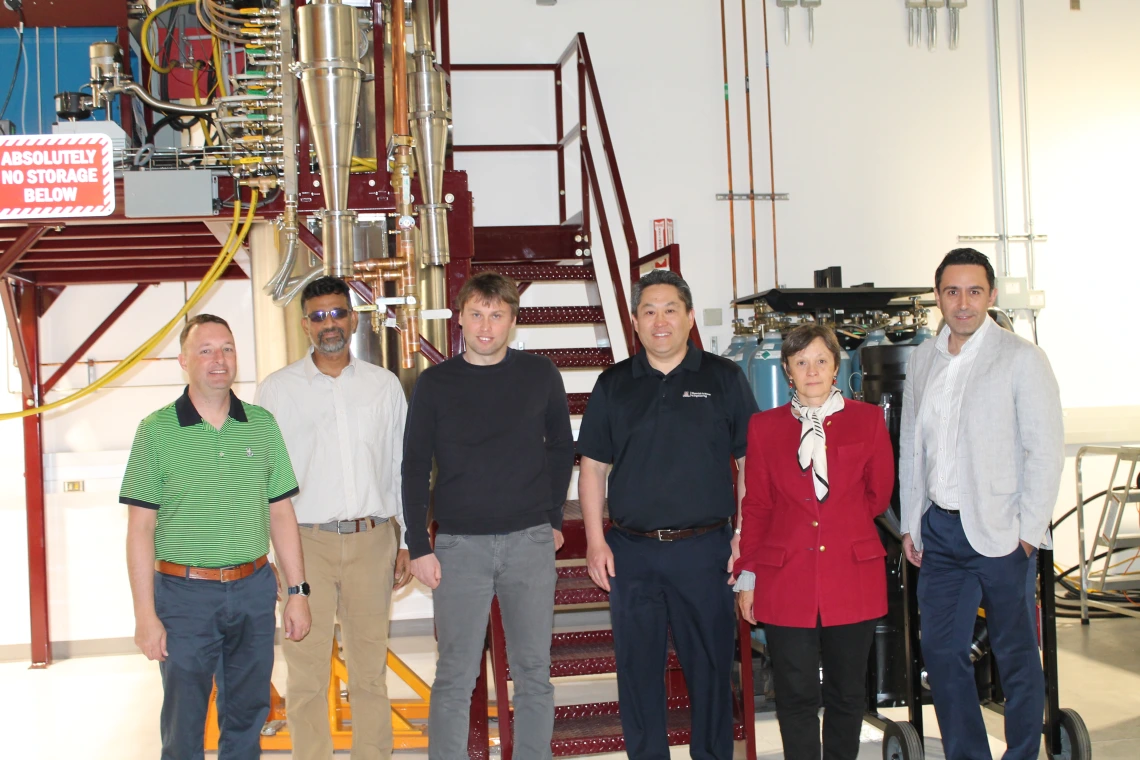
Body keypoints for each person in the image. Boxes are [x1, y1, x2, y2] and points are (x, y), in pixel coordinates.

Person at [578, 269, 758, 760]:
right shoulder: (614, 384)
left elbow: (750, 465)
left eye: (671, 309)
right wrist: (596, 542)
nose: (661, 321)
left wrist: (744, 537)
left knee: (711, 675)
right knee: (637, 678)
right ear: (635, 321)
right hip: (632, 554)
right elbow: (592, 468)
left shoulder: (724, 378)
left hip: (707, 552)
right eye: (649, 311)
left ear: (690, 316)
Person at [122, 313, 311, 760]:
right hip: (184, 597)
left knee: (248, 713)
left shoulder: (261, 424)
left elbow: (281, 513)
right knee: (184, 722)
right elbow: (139, 529)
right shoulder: (156, 430)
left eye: (226, 348)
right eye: (205, 350)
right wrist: (145, 615)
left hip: (253, 590)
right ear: (183, 360)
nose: (218, 359)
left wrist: (298, 591)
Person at [899, 248, 1064, 760]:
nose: (963, 303)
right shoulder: (924, 358)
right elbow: (912, 446)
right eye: (952, 292)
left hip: (1001, 532)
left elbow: (1045, 448)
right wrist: (910, 523)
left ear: (991, 296)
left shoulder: (1020, 358)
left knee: (1015, 656)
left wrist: (1028, 532)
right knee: (943, 653)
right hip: (940, 532)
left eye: (974, 291)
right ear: (938, 298)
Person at [402, 271, 575, 760]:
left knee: (533, 672)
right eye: (476, 314)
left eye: (496, 315)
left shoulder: (541, 375)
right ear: (460, 319)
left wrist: (553, 519)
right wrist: (419, 544)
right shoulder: (434, 384)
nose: (485, 325)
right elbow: (414, 466)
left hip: (529, 542)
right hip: (459, 547)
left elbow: (562, 448)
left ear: (512, 322)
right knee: (456, 673)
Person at [255, 276, 411, 760]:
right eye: (318, 316)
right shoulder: (278, 391)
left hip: (372, 541)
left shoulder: (383, 386)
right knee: (306, 675)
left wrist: (405, 538)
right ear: (305, 325)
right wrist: (274, 555)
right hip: (306, 546)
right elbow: (265, 478)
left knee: (368, 672)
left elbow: (400, 464)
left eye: (338, 314)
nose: (330, 325)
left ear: (353, 318)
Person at [733, 323, 894, 760]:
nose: (812, 370)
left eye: (821, 360)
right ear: (787, 369)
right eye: (801, 362)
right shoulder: (764, 428)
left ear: (836, 366)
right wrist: (747, 574)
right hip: (786, 579)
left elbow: (879, 494)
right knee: (796, 696)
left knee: (846, 695)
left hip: (852, 574)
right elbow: (758, 507)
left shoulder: (867, 420)